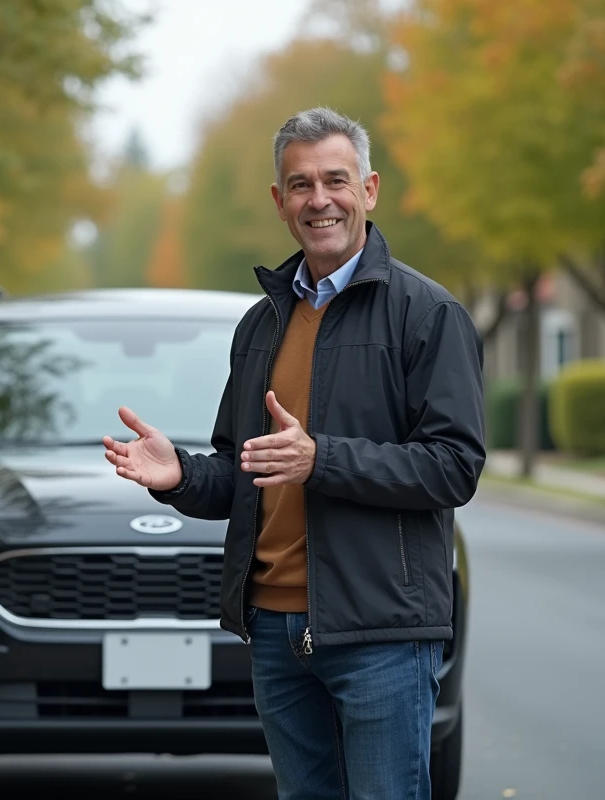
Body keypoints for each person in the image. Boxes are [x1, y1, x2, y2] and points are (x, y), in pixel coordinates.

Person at [102, 107, 485, 799]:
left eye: (335, 181)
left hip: (383, 633)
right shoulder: (261, 324)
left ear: (368, 189)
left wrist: (323, 459)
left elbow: (454, 467)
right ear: (280, 202)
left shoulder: (428, 315)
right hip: (277, 631)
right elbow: (241, 474)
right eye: (300, 185)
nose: (319, 200)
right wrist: (179, 474)